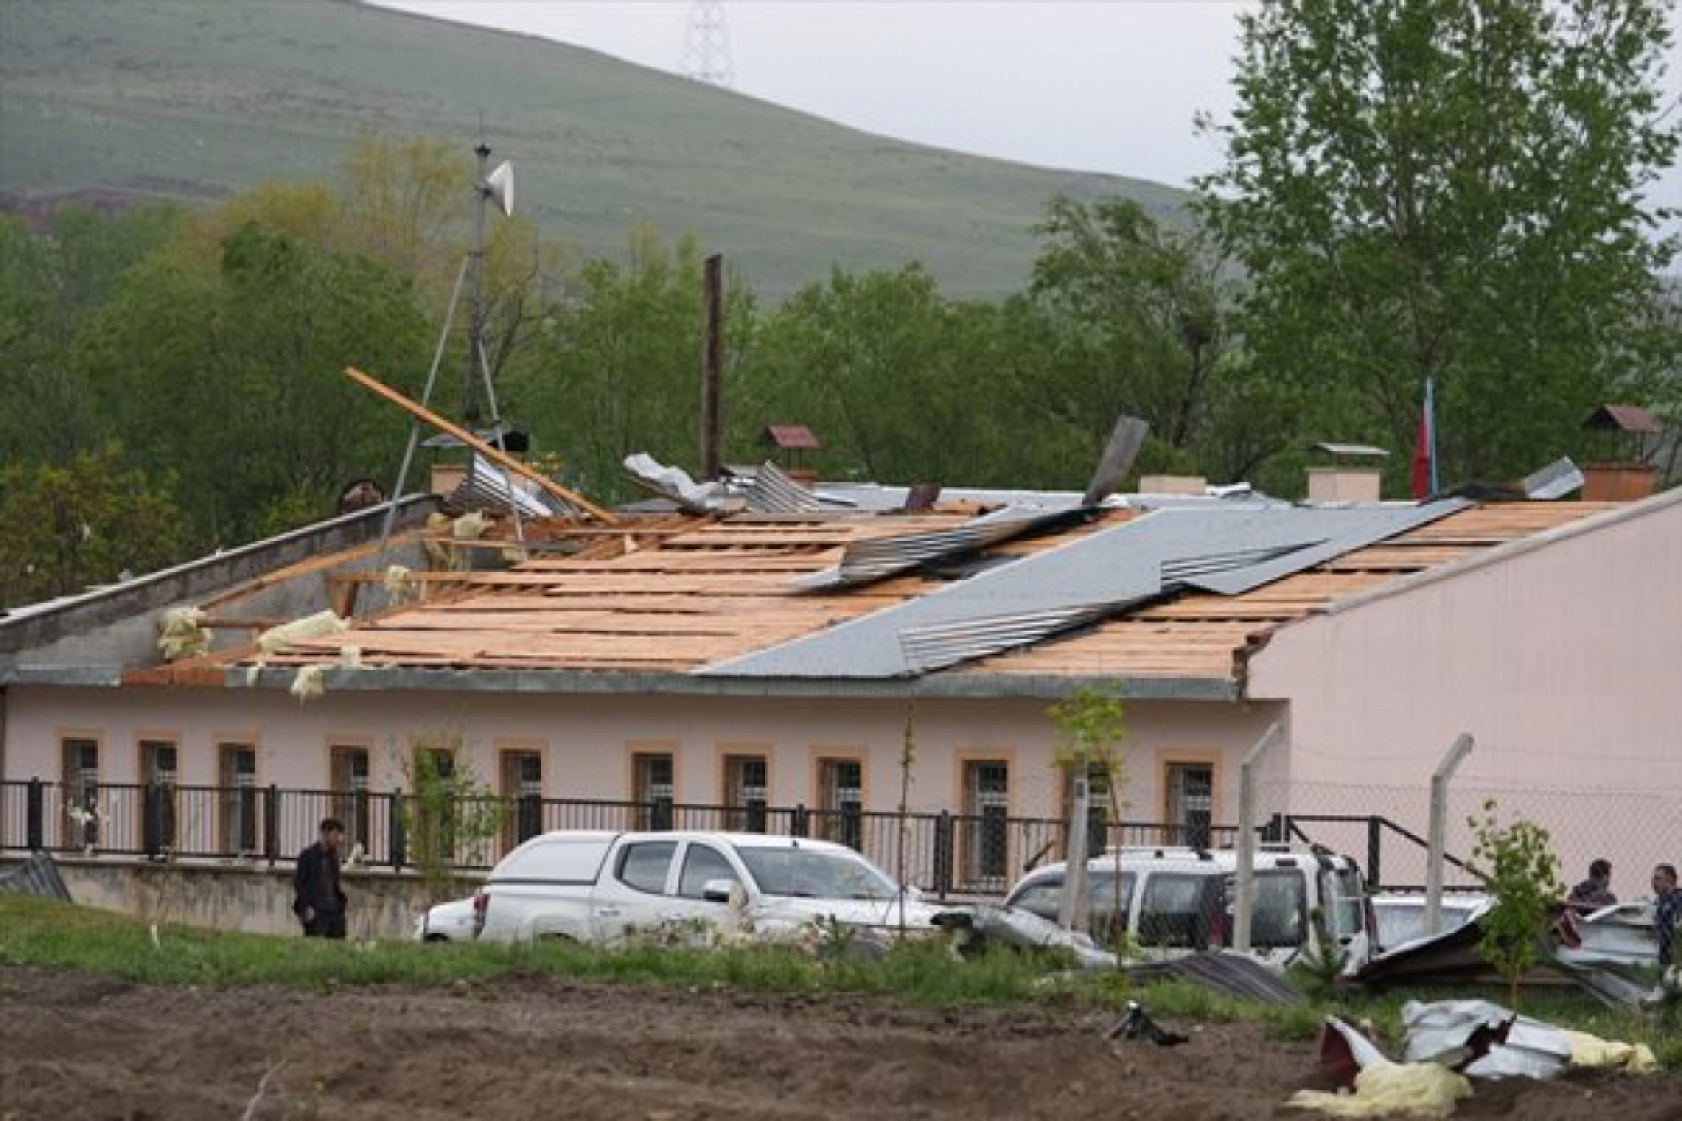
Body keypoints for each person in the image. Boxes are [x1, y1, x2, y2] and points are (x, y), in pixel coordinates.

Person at [293, 817, 349, 939]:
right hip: (315, 911)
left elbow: (335, 883)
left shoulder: (333, 858)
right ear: (325, 834)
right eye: (335, 835)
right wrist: (306, 907)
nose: (339, 840)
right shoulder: (307, 855)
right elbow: (299, 884)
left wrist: (341, 904)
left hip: (334, 911)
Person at [1654, 863, 1680, 968]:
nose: (1654, 883)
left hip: (1675, 953)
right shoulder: (1660, 901)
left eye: (1658, 878)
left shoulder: (1678, 898)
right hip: (1662, 955)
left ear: (1669, 879)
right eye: (1654, 879)